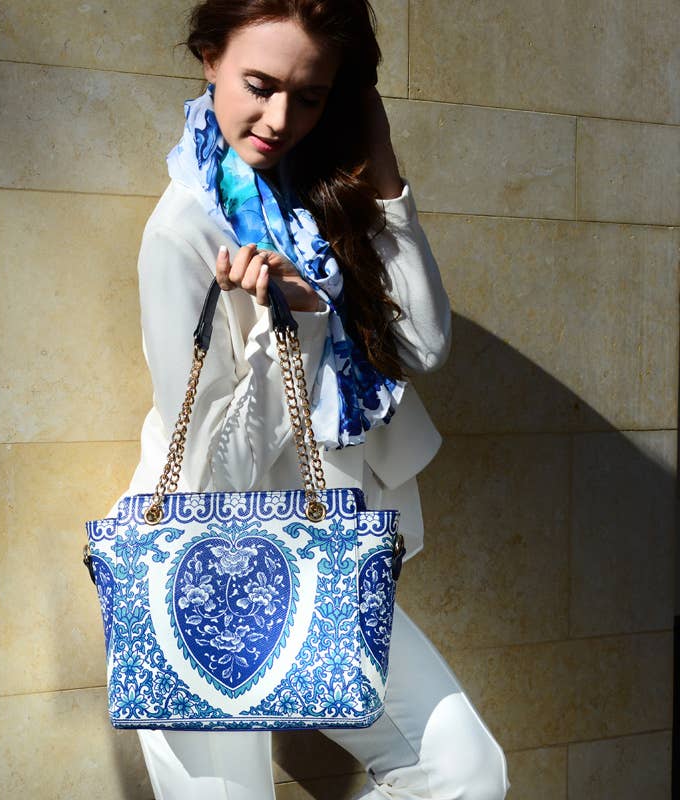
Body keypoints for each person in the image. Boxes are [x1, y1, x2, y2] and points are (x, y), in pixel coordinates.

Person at [111, 1, 510, 797]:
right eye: (259, 85)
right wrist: (289, 326)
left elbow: (423, 345)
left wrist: (381, 165)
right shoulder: (184, 232)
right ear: (209, 59)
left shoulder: (322, 200)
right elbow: (213, 474)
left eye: (311, 96)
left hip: (318, 562)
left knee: (466, 772)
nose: (279, 120)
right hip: (197, 580)